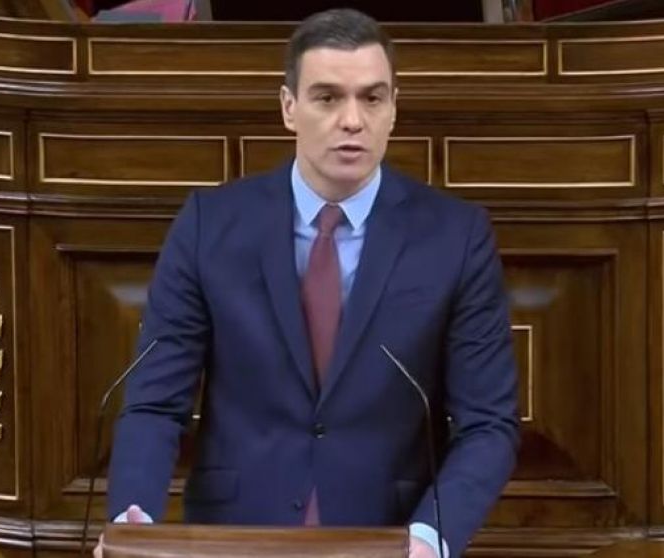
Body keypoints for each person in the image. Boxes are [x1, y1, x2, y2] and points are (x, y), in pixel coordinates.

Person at [97, 8, 519, 558]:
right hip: (238, 538)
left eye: (372, 98)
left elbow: (488, 424)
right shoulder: (210, 225)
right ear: (289, 107)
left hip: (387, 539)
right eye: (327, 97)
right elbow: (155, 404)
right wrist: (136, 523)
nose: (352, 120)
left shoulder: (456, 237)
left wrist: (430, 536)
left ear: (394, 108)